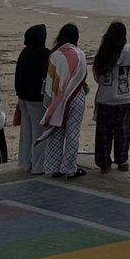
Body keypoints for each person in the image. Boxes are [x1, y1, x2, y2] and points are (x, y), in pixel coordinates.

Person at [92, 20, 130, 173]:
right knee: (122, 131)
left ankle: (104, 163)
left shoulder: (103, 52)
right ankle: (122, 160)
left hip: (105, 97)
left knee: (104, 132)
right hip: (125, 98)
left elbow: (97, 77)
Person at [41, 23, 89, 179]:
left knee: (56, 132)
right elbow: (83, 78)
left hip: (58, 99)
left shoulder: (54, 55)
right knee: (73, 134)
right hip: (76, 96)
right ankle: (69, 168)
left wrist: (50, 102)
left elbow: (50, 81)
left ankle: (53, 167)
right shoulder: (80, 54)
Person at [14, 24, 50, 174]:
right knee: (39, 133)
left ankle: (25, 163)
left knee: (26, 132)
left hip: (23, 97)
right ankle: (38, 166)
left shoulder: (24, 53)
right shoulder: (45, 54)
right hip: (37, 99)